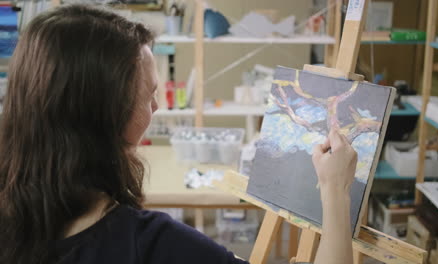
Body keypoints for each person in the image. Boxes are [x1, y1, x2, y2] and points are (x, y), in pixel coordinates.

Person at [0, 4, 357, 264]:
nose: (157, 107)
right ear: (109, 115)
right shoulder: (151, 244)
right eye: (149, 95)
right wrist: (336, 190)